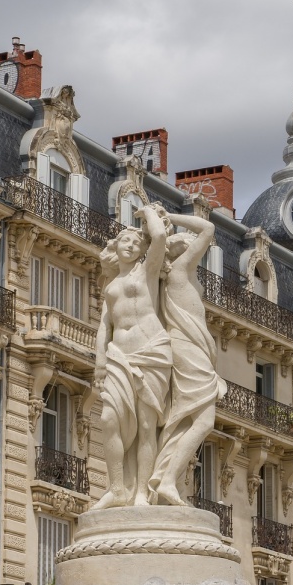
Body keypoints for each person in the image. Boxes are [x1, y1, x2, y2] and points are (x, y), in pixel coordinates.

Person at [92, 205, 171, 509]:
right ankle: (116, 488)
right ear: (116, 246)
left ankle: (141, 492)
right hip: (118, 356)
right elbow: (104, 326)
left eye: (137, 243)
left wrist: (149, 213)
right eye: (125, 240)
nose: (131, 245)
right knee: (109, 419)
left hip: (151, 351)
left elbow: (161, 236)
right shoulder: (110, 286)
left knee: (147, 426)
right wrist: (99, 362)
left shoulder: (147, 271)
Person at [148, 208, 227, 505]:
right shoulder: (180, 272)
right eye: (187, 244)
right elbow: (207, 229)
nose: (195, 248)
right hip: (188, 350)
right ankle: (167, 480)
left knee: (182, 421)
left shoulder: (180, 276)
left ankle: (166, 479)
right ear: (180, 252)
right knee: (204, 421)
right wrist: (170, 215)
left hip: (191, 350)